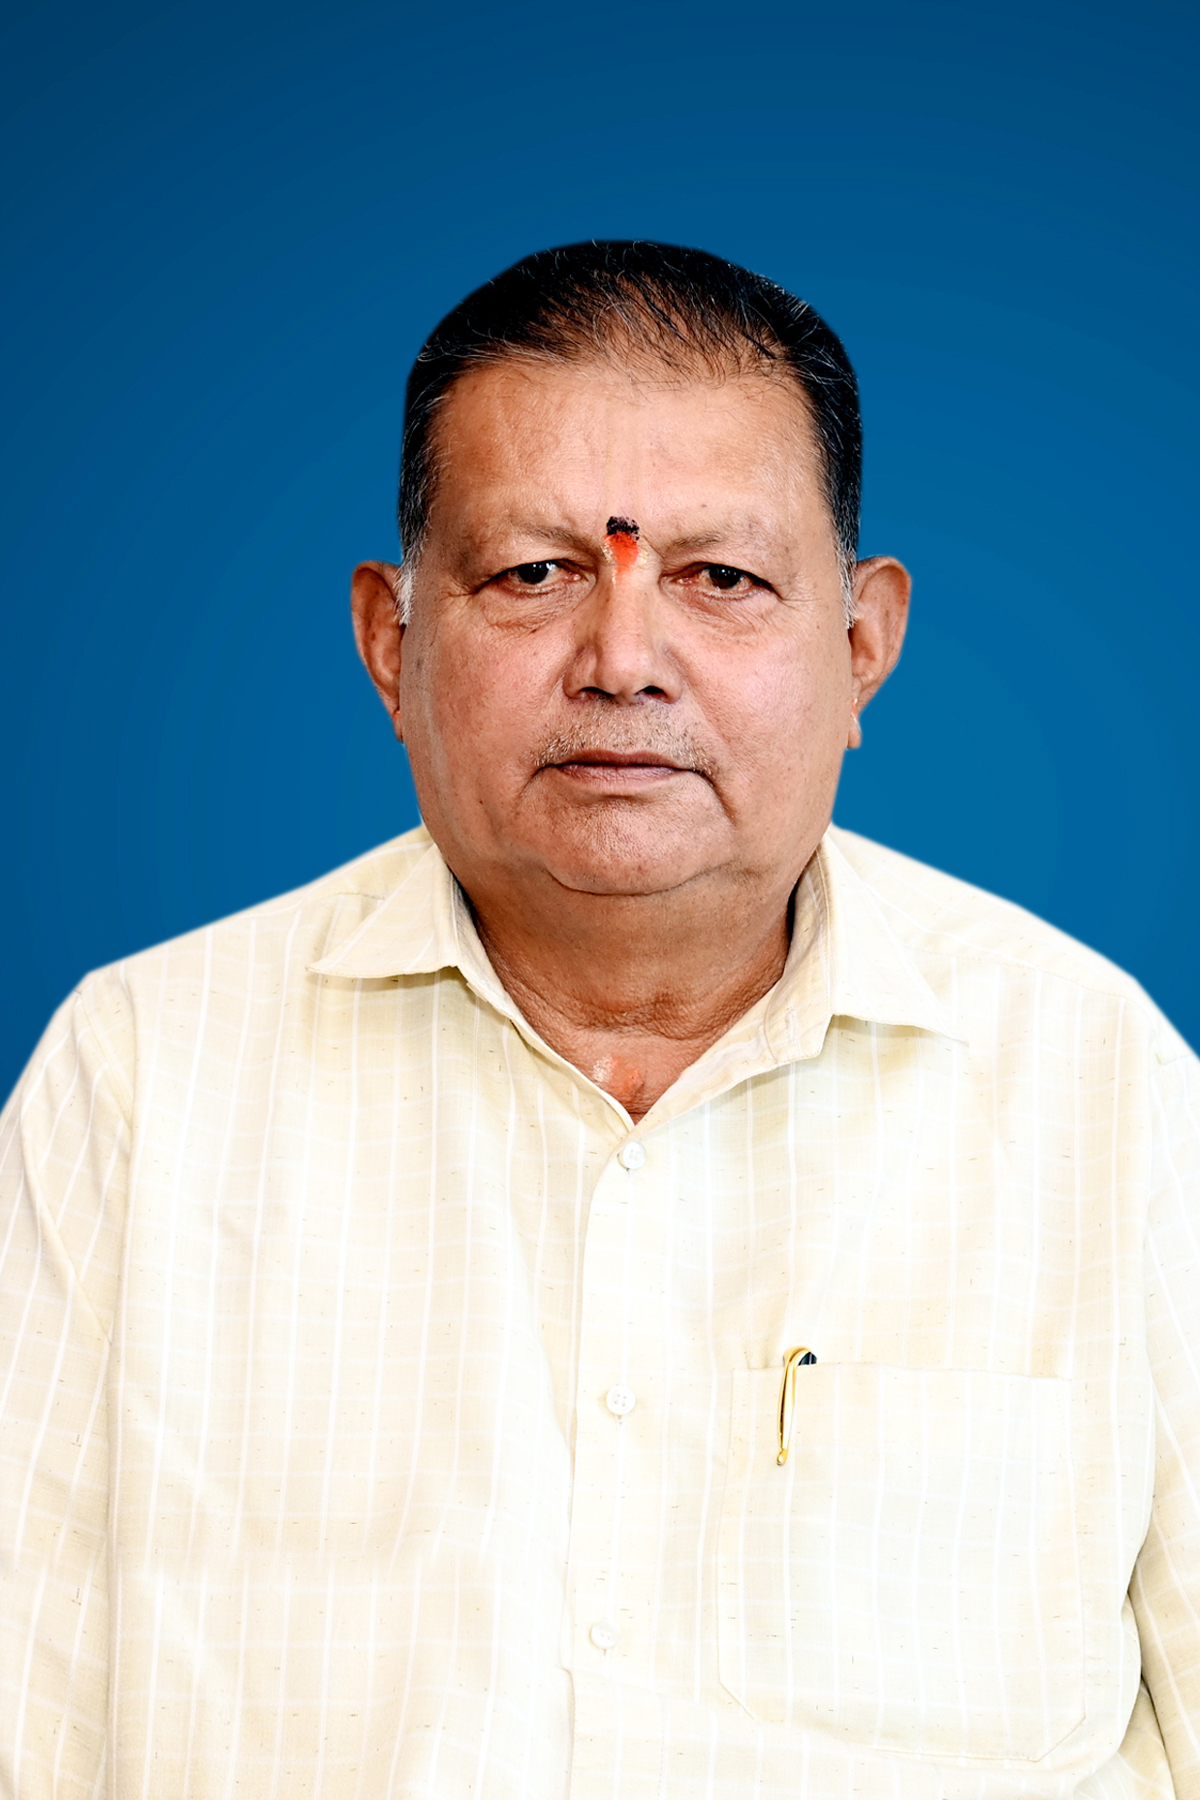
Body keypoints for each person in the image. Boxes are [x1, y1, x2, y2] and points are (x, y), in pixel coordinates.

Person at [1, 240, 1197, 1800]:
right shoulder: (142, 1081)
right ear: (392, 643)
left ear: (860, 645)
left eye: (721, 579)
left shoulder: (1102, 1091)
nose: (624, 662)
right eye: (534, 573)